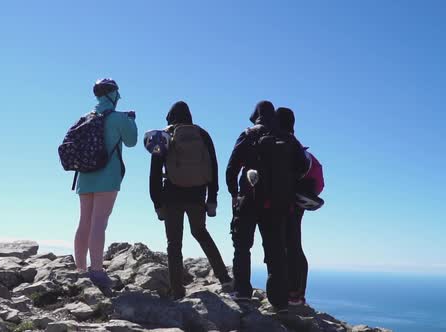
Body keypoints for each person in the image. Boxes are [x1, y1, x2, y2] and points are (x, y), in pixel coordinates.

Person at [226, 101, 307, 312]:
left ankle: (243, 291)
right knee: (276, 251)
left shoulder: (249, 134)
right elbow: (302, 166)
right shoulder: (288, 139)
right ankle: (279, 301)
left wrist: (234, 193)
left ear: (256, 115)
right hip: (277, 203)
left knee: (242, 246)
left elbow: (232, 167)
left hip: (249, 198)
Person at [149, 101, 232, 300]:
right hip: (197, 195)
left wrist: (157, 203)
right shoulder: (202, 134)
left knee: (174, 244)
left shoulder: (164, 135)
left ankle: (177, 292)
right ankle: (225, 279)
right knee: (201, 232)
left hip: (171, 196)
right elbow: (214, 167)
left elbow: (154, 173)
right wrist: (212, 198)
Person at [73, 78, 137, 287]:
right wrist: (131, 121)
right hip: (108, 176)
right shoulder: (118, 118)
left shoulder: (85, 117)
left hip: (84, 175)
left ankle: (80, 269)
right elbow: (132, 141)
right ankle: (98, 271)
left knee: (84, 222)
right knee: (99, 222)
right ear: (113, 94)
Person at [277, 107, 324, 306]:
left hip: (284, 202)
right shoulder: (300, 149)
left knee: (287, 245)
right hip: (298, 204)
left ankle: (291, 292)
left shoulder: (283, 144)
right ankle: (297, 293)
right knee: (294, 244)